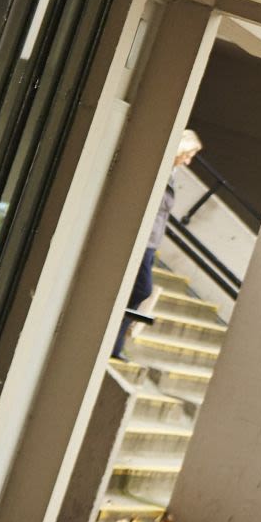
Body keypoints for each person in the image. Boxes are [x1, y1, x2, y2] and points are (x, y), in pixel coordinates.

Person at [111, 129, 201, 364]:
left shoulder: (172, 174)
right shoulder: (160, 172)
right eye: (188, 155)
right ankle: (113, 341)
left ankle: (115, 344)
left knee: (135, 294)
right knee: (142, 291)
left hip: (152, 242)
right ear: (180, 150)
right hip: (143, 241)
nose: (189, 161)